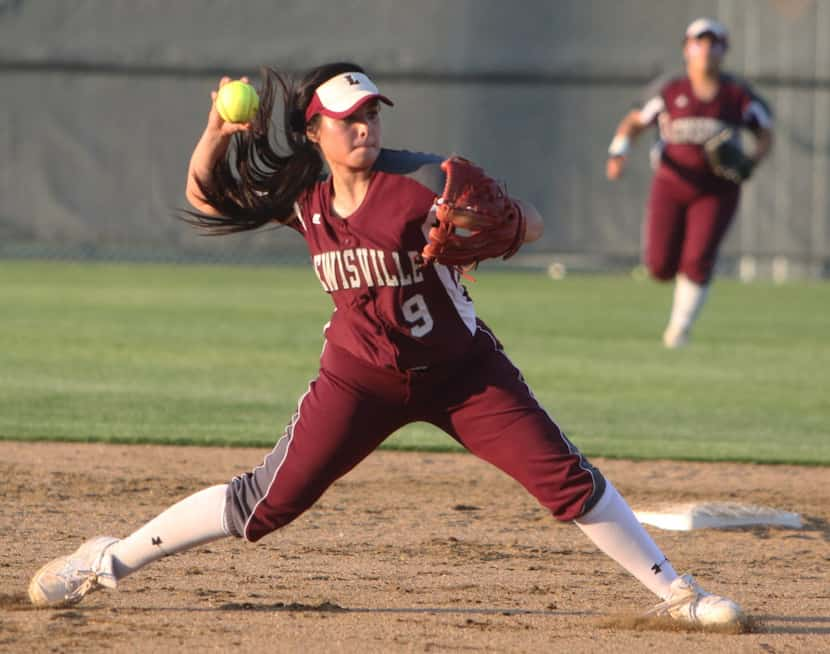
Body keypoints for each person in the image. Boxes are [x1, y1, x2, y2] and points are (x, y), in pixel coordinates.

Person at [29, 61, 743, 626]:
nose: (364, 126)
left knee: (561, 476)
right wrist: (218, 127)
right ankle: (104, 563)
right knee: (262, 508)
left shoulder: (421, 182)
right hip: (358, 380)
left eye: (371, 112)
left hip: (464, 376)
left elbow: (531, 223)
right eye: (348, 117)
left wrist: (506, 228)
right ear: (316, 132)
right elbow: (206, 196)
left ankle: (679, 593)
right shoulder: (303, 197)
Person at [606, 18, 774, 348]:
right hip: (671, 183)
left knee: (697, 259)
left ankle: (679, 329)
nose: (706, 50)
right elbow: (635, 121)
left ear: (724, 50)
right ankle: (675, 312)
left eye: (714, 43)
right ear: (686, 48)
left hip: (717, 188)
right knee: (659, 266)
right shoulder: (670, 90)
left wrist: (751, 161)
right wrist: (619, 150)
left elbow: (765, 133)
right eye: (699, 42)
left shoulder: (736, 95)